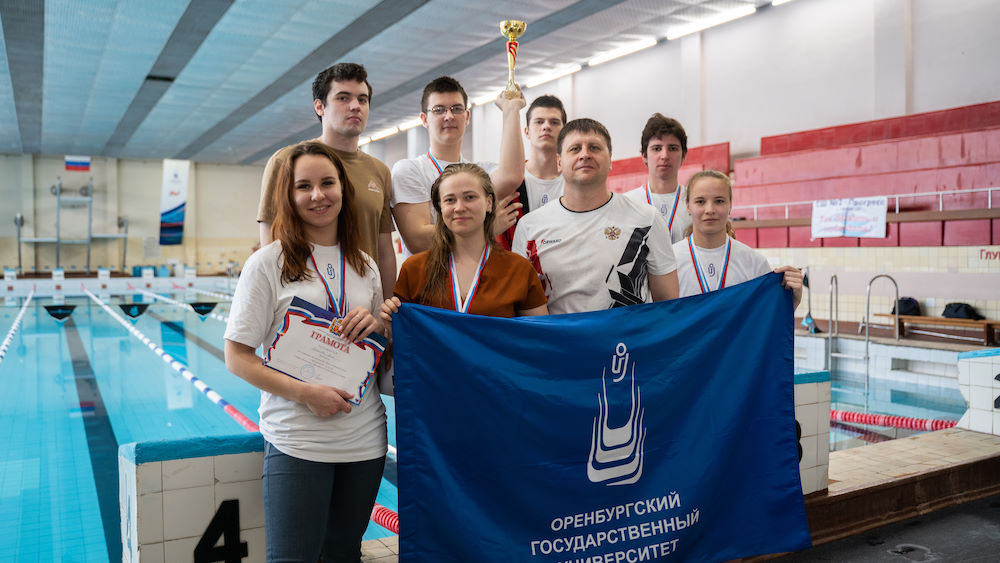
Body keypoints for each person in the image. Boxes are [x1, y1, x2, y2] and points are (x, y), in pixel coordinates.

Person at [225, 141, 387, 562]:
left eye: (327, 183)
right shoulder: (268, 263)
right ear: (289, 195)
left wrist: (378, 325)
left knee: (344, 556)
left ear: (343, 189)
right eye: (304, 186)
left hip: (364, 442)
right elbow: (236, 356)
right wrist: (305, 393)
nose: (318, 195)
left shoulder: (365, 265)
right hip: (297, 440)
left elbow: (375, 353)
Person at [257, 62, 396, 299]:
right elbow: (270, 239)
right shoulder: (287, 161)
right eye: (343, 98)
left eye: (362, 99)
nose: (355, 106)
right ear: (319, 106)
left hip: (362, 304)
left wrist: (386, 306)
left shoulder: (379, 171)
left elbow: (383, 248)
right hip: (305, 303)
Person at [512, 118, 679, 315]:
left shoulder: (647, 219)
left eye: (594, 147)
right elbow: (525, 312)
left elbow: (668, 307)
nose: (585, 155)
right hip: (558, 336)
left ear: (610, 160)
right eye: (575, 149)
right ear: (559, 162)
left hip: (628, 335)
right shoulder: (529, 227)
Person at [382, 163, 548, 323]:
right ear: (440, 207)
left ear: (489, 202)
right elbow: (402, 337)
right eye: (450, 200)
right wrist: (390, 326)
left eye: (470, 197)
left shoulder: (518, 270)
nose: (460, 207)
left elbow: (539, 335)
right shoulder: (414, 270)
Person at [391, 76, 525, 260]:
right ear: (424, 119)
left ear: (467, 117)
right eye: (439, 110)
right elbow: (419, 240)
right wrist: (484, 229)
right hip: (429, 277)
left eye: (457, 109)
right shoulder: (410, 170)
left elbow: (512, 176)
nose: (449, 116)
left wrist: (511, 110)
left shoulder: (479, 173)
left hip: (476, 275)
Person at [673, 169, 802, 307]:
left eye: (719, 201)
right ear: (688, 206)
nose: (710, 210)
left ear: (730, 205)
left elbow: (767, 316)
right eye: (700, 201)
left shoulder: (754, 262)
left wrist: (792, 302)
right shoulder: (670, 261)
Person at [497, 94, 567, 250]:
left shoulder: (574, 183)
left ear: (564, 133)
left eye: (554, 122)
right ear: (527, 131)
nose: (546, 126)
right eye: (539, 121)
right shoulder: (509, 182)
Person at [622, 113, 692, 243]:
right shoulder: (627, 203)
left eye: (672, 148)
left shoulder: (696, 201)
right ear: (644, 155)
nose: (665, 155)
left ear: (683, 156)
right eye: (657, 148)